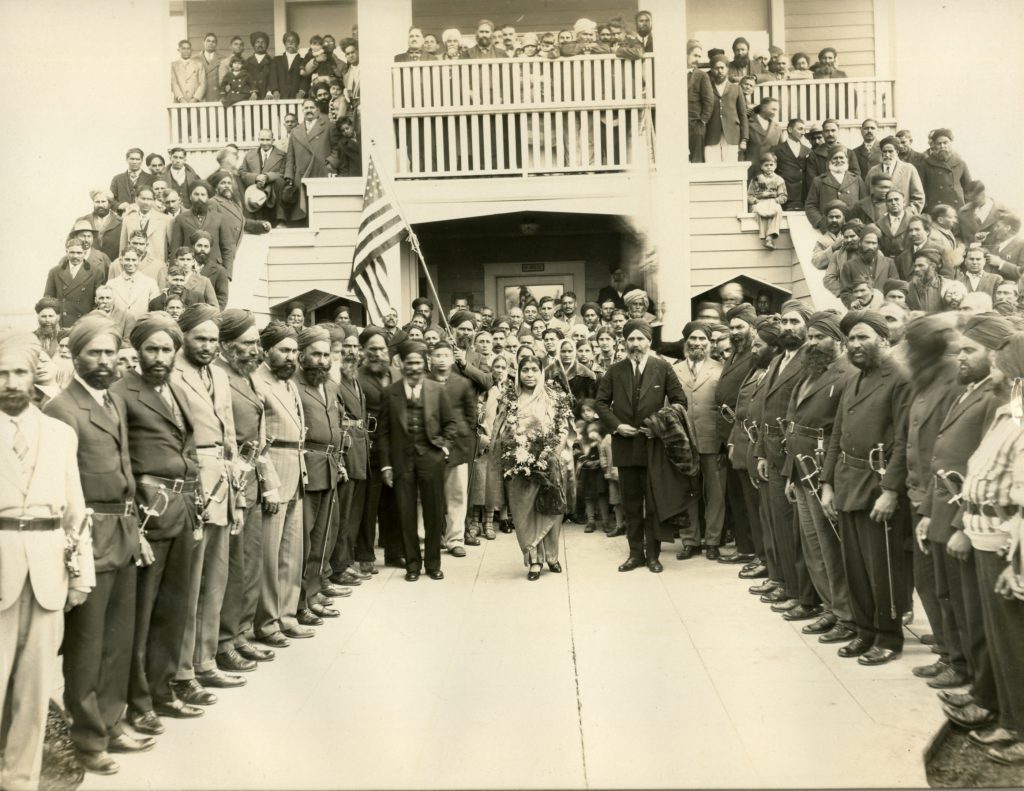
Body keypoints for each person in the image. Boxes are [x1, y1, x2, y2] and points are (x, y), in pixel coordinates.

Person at [43, 316, 151, 775]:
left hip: (122, 531)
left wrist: (137, 532)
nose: (105, 362)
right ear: (75, 355)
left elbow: (124, 471)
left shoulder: (113, 402)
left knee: (117, 639)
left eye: (110, 353)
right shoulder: (61, 410)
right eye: (95, 353)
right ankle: (87, 740)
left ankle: (111, 722)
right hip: (88, 536)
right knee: (86, 645)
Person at [0, 330, 94, 789]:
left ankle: (20, 778)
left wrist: (82, 576)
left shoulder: (59, 435)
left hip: (49, 572)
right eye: (1, 373)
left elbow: (77, 511)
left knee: (35, 689)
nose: (11, 382)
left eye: (19, 372)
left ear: (35, 377)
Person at [109, 314, 201, 734]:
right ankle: (137, 701)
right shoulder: (121, 394)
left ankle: (163, 691)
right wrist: (132, 522)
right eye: (152, 349)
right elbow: (119, 462)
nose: (160, 357)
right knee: (141, 614)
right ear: (139, 350)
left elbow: (188, 447)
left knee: (173, 607)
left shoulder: (176, 390)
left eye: (167, 349)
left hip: (181, 509)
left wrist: (194, 496)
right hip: (148, 512)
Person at [948, 331, 1024, 765]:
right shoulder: (1008, 413)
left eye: (1001, 359)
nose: (993, 363)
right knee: (1001, 642)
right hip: (985, 539)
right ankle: (1008, 719)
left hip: (1006, 547)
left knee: (1015, 643)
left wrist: (1017, 562)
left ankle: (1019, 729)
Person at [821, 310, 910, 666]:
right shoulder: (853, 380)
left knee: (882, 567)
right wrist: (827, 483)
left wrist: (891, 490)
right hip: (847, 482)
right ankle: (865, 631)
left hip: (877, 485)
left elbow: (904, 442)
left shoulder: (899, 379)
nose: (855, 345)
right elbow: (836, 437)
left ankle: (888, 637)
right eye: (851, 339)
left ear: (883, 340)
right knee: (855, 565)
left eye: (863, 337)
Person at [211, 310, 276, 669]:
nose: (255, 350)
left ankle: (241, 633)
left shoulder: (246, 375)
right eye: (247, 343)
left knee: (250, 560)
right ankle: (224, 640)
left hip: (252, 476)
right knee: (233, 565)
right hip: (230, 480)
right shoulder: (220, 376)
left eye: (255, 343)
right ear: (226, 345)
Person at [595, 320, 686, 572]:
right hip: (625, 447)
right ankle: (635, 554)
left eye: (640, 339)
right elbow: (601, 404)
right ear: (624, 342)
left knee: (654, 503)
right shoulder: (615, 371)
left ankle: (654, 555)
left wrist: (657, 424)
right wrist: (617, 426)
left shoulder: (663, 367)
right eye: (631, 339)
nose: (635, 344)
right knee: (631, 503)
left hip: (654, 446)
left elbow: (680, 401)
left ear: (648, 341)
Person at [251, 322, 310, 647]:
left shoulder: (289, 383)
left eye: (294, 351)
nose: (291, 356)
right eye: (284, 350)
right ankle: (267, 621)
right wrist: (267, 482)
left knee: (291, 551)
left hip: (296, 468)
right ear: (266, 350)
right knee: (270, 554)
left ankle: (288, 615)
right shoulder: (258, 383)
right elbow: (258, 439)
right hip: (273, 470)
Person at [378, 341, 458, 582]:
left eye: (418, 363)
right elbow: (382, 433)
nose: (414, 367)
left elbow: (451, 424)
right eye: (409, 363)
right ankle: (412, 565)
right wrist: (386, 464)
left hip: (430, 459)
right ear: (402, 365)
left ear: (425, 364)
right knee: (406, 513)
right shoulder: (389, 393)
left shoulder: (437, 390)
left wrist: (443, 448)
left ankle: (433, 564)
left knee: (434, 513)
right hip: (402, 462)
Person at [494, 354, 574, 580]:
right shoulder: (510, 398)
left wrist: (551, 453)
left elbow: (563, 428)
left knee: (550, 509)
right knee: (524, 513)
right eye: (525, 370)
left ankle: (552, 556)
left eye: (534, 370)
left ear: (541, 372)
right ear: (518, 373)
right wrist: (515, 450)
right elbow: (501, 430)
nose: (529, 374)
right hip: (519, 463)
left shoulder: (554, 396)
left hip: (548, 461)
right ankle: (534, 560)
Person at [292, 326, 347, 627]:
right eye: (316, 354)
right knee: (304, 540)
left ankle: (312, 594)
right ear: (302, 356)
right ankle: (299, 602)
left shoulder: (331, 386)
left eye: (326, 354)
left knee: (323, 537)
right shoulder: (293, 385)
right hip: (307, 469)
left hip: (329, 466)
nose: (322, 360)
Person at [673, 322, 725, 558]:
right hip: (685, 442)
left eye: (702, 339)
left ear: (709, 343)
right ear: (686, 342)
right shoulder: (675, 370)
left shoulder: (720, 368)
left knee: (715, 493)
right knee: (688, 492)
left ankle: (713, 541)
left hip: (712, 441)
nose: (697, 344)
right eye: (693, 339)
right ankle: (690, 541)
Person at [282, 99, 335, 224]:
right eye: (306, 108)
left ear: (317, 110)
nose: (309, 110)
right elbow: (290, 156)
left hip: (320, 171)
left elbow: (336, 148)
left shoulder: (328, 126)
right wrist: (289, 175)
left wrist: (330, 163)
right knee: (303, 213)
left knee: (321, 211)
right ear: (302, 111)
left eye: (312, 107)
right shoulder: (296, 131)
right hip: (301, 174)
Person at [44, 237, 109, 327]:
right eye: (72, 252)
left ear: (85, 253)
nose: (75, 256)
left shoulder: (96, 272)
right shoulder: (54, 272)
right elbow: (48, 300)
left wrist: (90, 322)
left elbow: (98, 302)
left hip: (85, 324)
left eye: (79, 253)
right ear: (66, 252)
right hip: (62, 324)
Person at [805, 146, 866, 231]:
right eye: (835, 158)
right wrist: (820, 222)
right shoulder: (818, 181)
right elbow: (810, 206)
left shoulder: (856, 179)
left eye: (841, 157)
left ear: (847, 160)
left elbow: (864, 203)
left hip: (852, 229)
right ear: (829, 161)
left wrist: (859, 223)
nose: (838, 160)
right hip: (828, 228)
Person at [704, 54, 748, 163]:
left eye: (722, 68)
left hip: (732, 134)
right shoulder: (707, 87)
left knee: (731, 167)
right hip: (711, 134)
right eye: (716, 68)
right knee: (711, 166)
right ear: (712, 70)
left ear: (727, 69)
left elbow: (742, 114)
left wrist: (744, 138)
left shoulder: (736, 88)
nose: (720, 71)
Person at [921, 129, 972, 212]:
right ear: (933, 145)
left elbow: (969, 189)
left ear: (950, 143)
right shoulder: (925, 164)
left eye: (945, 143)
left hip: (957, 208)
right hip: (936, 210)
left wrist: (968, 209)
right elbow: (921, 191)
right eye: (939, 143)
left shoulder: (960, 163)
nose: (942, 146)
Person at [748, 152, 788, 249]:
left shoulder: (779, 180)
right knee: (761, 211)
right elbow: (749, 195)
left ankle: (769, 237)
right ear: (761, 167)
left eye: (771, 165)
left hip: (773, 201)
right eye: (766, 165)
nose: (769, 167)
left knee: (777, 210)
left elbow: (784, 196)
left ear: (775, 166)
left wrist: (777, 200)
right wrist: (755, 201)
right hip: (760, 201)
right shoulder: (755, 180)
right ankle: (765, 236)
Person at [686, 40, 713, 163]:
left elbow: (708, 100)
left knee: (696, 160)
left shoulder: (702, 76)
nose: (697, 59)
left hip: (696, 124)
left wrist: (702, 121)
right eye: (694, 55)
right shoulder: (674, 73)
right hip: (678, 123)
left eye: (699, 56)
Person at [268, 32, 309, 100]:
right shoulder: (277, 60)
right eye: (288, 41)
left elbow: (305, 79)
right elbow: (273, 77)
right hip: (280, 97)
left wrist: (302, 91)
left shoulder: (303, 61)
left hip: (296, 97)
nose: (290, 43)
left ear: (297, 44)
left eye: (293, 41)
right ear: (285, 43)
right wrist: (275, 90)